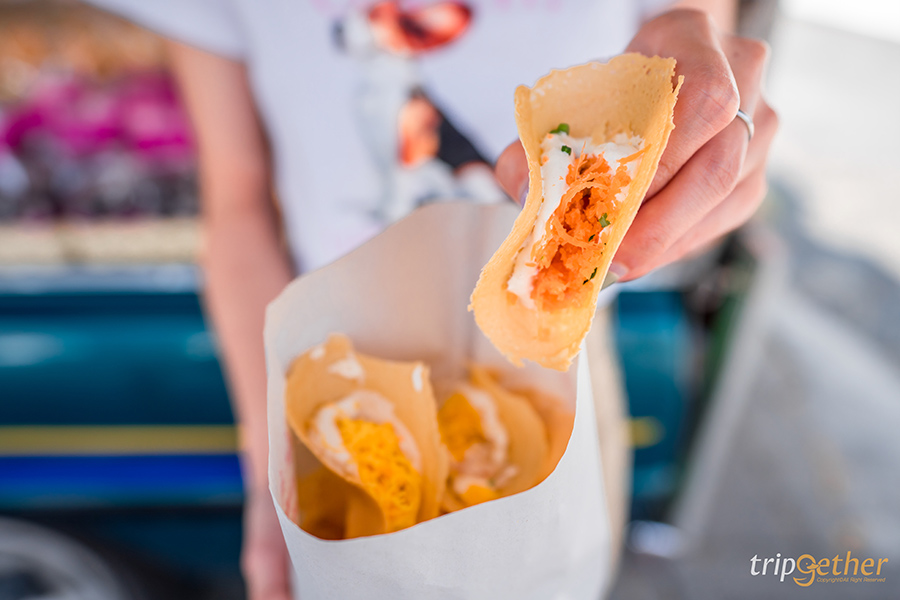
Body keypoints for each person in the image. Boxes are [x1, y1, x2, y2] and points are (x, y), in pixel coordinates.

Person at [86, 0, 776, 598]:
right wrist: (272, 461)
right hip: (331, 374)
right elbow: (238, 204)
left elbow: (699, 66)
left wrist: (712, 115)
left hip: (563, 374)